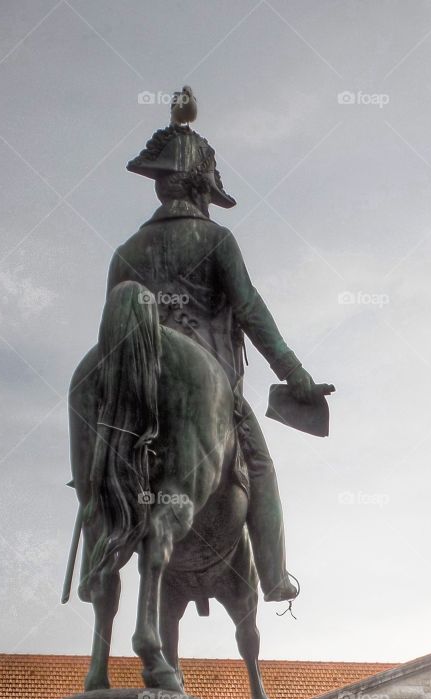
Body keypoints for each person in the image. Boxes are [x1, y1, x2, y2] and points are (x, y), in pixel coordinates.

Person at [110, 97, 328, 602]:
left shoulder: (126, 250)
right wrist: (295, 376)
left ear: (162, 183)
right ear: (202, 185)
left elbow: (112, 338)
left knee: (111, 444)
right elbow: (250, 311)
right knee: (261, 468)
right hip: (207, 385)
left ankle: (96, 495)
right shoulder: (216, 240)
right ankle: (274, 576)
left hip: (135, 390)